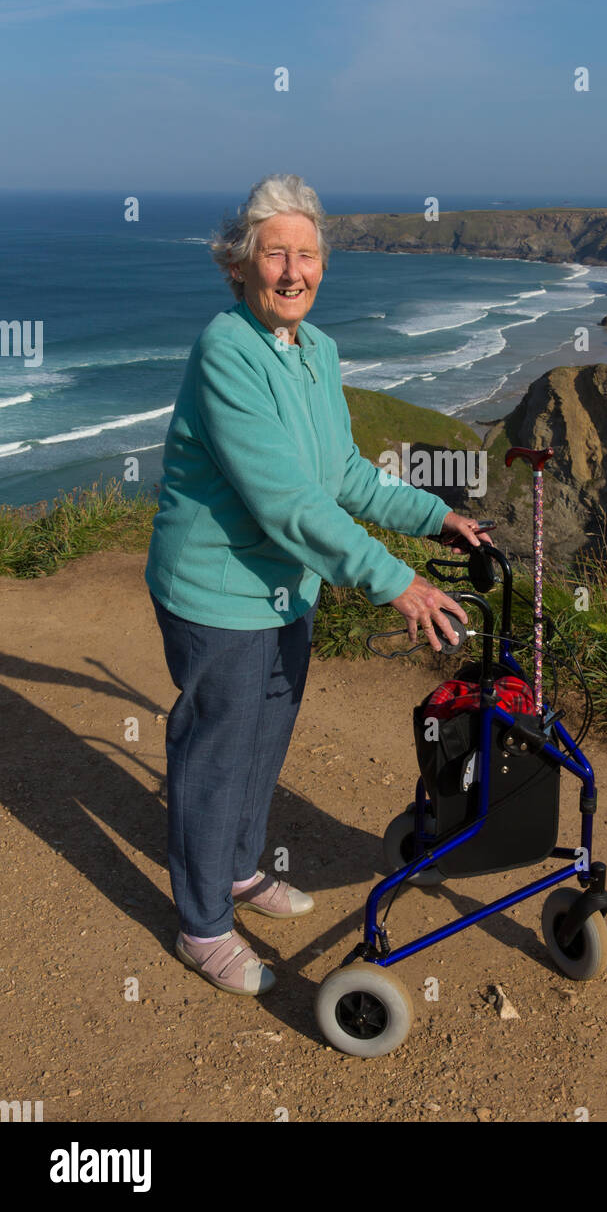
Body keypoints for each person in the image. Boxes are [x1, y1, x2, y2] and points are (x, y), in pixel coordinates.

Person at [145, 173, 492, 996]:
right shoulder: (226, 350)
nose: (293, 270)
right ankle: (202, 924)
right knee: (214, 754)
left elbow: (340, 475)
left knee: (262, 742)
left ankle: (235, 870)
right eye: (275, 254)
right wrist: (396, 583)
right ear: (241, 265)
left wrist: (434, 518)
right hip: (215, 591)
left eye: (307, 254)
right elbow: (285, 500)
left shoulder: (318, 350)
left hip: (283, 592)